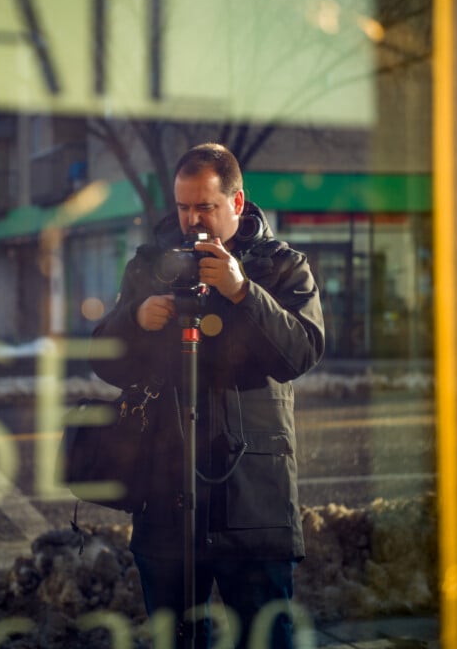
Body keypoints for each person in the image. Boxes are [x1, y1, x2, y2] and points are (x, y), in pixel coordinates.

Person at [90, 143, 325, 649]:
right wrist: (134, 320)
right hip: (166, 500)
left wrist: (244, 292)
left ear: (237, 203)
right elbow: (104, 360)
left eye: (206, 207)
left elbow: (302, 353)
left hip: (254, 503)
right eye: (183, 207)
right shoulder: (151, 265)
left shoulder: (283, 267)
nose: (192, 220)